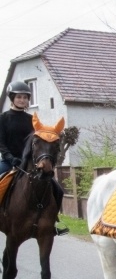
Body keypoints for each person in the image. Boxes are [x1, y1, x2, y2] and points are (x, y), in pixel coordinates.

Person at [0, 81, 68, 235]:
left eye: (25, 97)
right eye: (19, 97)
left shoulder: (31, 120)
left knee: (57, 190)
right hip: (9, 161)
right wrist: (11, 158)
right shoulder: (3, 118)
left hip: (29, 163)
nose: (22, 100)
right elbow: (1, 144)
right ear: (12, 98)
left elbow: (36, 144)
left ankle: (52, 222)